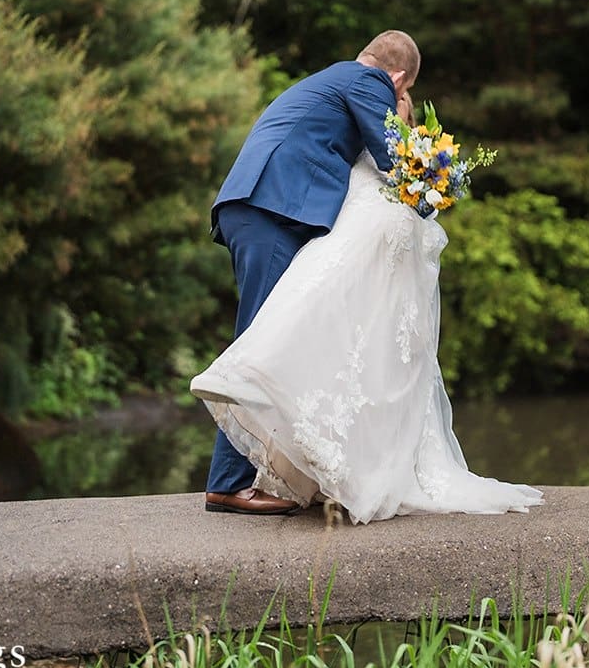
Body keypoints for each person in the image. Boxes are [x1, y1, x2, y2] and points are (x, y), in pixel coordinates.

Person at [197, 31, 542, 522]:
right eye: (404, 91)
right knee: (262, 337)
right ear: (398, 78)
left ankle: (278, 474)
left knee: (286, 337)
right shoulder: (367, 80)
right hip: (269, 208)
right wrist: (431, 184)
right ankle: (226, 484)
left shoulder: (331, 80)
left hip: (264, 205)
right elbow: (393, 161)